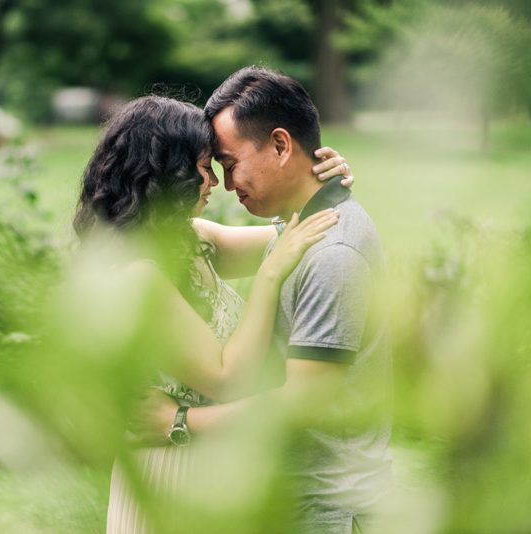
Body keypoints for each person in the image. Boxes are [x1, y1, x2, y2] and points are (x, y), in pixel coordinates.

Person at [71, 95, 355, 534]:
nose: (215, 183)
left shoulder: (192, 239)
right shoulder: (136, 275)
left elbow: (295, 233)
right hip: (170, 475)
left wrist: (321, 182)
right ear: (168, 172)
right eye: (205, 167)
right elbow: (227, 376)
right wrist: (267, 280)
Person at [132, 67, 394, 534]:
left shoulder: (332, 252)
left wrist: (179, 423)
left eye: (229, 164)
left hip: (326, 507)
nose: (224, 185)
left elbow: (303, 403)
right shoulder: (295, 230)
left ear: (279, 145)